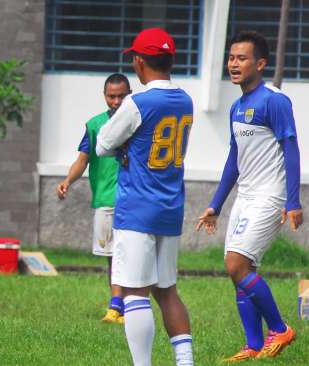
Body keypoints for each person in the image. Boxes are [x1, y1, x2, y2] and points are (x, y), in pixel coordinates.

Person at [196, 30, 301, 362]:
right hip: (245, 198)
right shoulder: (237, 107)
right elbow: (234, 159)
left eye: (241, 58)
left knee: (236, 264)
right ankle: (253, 345)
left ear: (261, 63)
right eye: (231, 58)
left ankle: (280, 328)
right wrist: (215, 204)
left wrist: (294, 201)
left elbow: (292, 150)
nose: (234, 64)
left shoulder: (275, 100)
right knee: (239, 271)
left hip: (269, 197)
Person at [96, 28, 194, 366]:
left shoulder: (137, 102)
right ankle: (185, 362)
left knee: (135, 292)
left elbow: (102, 144)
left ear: (139, 62)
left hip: (137, 208)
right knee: (167, 291)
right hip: (171, 207)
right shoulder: (186, 99)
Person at [56, 73, 131, 324]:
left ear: (129, 94)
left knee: (129, 254)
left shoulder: (138, 122)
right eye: (112, 96)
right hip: (106, 199)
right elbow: (82, 161)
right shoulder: (95, 125)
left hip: (133, 198)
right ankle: (116, 307)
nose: (117, 101)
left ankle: (124, 306)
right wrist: (67, 181)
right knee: (112, 255)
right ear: (105, 96)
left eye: (122, 95)